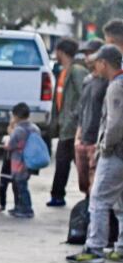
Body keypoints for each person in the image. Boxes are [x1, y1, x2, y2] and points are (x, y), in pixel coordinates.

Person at [67, 44, 123, 263]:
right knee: (120, 203)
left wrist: (105, 147)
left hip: (115, 153)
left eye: (97, 62)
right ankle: (120, 246)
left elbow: (115, 123)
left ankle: (94, 248)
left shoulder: (116, 87)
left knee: (98, 199)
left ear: (104, 63)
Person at [48, 38, 87, 207]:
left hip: (73, 127)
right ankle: (58, 195)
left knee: (73, 163)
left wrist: (73, 116)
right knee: (64, 162)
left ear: (61, 52)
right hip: (65, 126)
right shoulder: (64, 72)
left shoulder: (76, 71)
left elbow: (84, 96)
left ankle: (86, 194)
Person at [74, 38, 108, 196]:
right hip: (83, 140)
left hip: (97, 141)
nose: (87, 58)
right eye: (86, 54)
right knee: (84, 184)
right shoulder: (87, 80)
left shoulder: (108, 82)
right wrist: (78, 135)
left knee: (95, 187)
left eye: (91, 53)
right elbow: (82, 109)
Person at [4, 102, 39, 218]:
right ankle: (19, 207)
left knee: (21, 187)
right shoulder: (35, 128)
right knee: (21, 185)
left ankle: (27, 209)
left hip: (18, 163)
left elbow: (10, 145)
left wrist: (10, 131)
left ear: (16, 116)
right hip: (30, 162)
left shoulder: (18, 130)